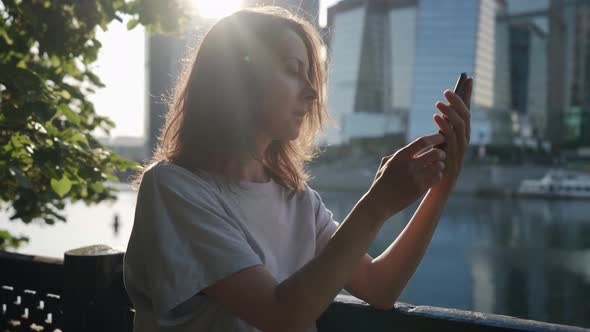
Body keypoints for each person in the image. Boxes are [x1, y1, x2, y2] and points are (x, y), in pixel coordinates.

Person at [123, 6, 472, 332]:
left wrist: (441, 185)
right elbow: (281, 315)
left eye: (310, 76)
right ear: (237, 79)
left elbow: (379, 287)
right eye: (292, 70)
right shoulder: (173, 188)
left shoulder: (297, 198)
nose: (311, 92)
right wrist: (377, 203)